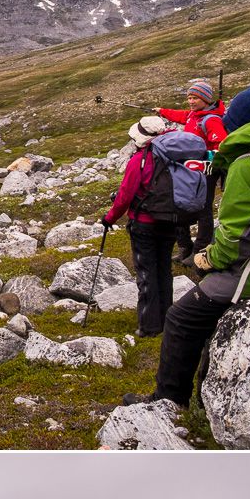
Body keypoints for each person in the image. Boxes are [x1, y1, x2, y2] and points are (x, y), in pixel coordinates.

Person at [123, 87, 250, 409]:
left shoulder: (249, 163)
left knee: (181, 317)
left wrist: (208, 259)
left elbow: (235, 236)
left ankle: (169, 400)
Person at [102, 115, 177, 337]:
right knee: (164, 270)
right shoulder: (175, 156)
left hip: (144, 224)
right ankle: (168, 320)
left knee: (147, 274)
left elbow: (125, 196)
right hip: (170, 221)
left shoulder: (139, 160)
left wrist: (109, 218)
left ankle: (149, 326)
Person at [155, 78, 228, 257]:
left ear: (206, 100)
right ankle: (184, 247)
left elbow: (223, 145)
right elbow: (178, 115)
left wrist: (205, 158)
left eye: (195, 98)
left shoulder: (211, 120)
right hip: (189, 170)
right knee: (180, 203)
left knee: (203, 208)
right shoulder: (191, 115)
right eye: (189, 98)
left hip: (206, 171)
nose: (191, 102)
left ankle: (200, 249)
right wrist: (161, 111)